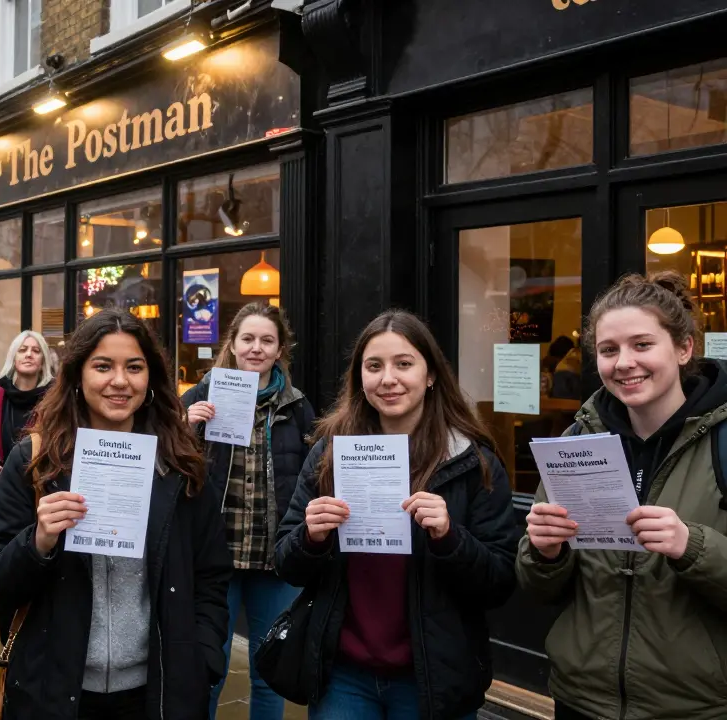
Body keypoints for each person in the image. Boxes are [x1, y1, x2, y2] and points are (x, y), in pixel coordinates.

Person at [0, 308, 232, 720]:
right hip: (56, 689)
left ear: (150, 378)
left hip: (158, 691)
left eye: (134, 367)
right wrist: (38, 541)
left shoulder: (181, 463)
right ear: (78, 376)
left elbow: (211, 575)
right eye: (102, 366)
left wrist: (202, 660)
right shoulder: (36, 461)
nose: (119, 381)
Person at [274, 309, 520, 720]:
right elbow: (287, 563)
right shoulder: (330, 454)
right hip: (343, 676)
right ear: (360, 378)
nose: (388, 379)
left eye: (404, 364)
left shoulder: (472, 462)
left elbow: (500, 582)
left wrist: (450, 538)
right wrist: (310, 537)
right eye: (374, 366)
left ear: (431, 375)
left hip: (432, 677)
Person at [518, 272, 727, 720]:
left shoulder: (723, 444)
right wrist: (545, 552)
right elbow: (538, 588)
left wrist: (692, 545)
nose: (624, 362)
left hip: (695, 707)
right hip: (581, 700)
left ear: (684, 348)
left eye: (642, 344)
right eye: (609, 350)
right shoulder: (576, 439)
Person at [181, 303, 316, 720]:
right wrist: (186, 428)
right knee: (209, 667)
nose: (256, 348)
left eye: (267, 341)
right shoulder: (201, 395)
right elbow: (163, 463)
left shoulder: (297, 406)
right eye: (248, 339)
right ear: (234, 345)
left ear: (280, 350)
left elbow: (315, 475)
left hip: (273, 558)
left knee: (268, 668)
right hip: (216, 556)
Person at [0, 329, 56, 641]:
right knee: (6, 572)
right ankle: (12, 643)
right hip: (3, 503)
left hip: (45, 500)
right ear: (14, 357)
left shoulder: (56, 399)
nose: (30, 354)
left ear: (44, 359)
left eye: (36, 350)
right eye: (23, 349)